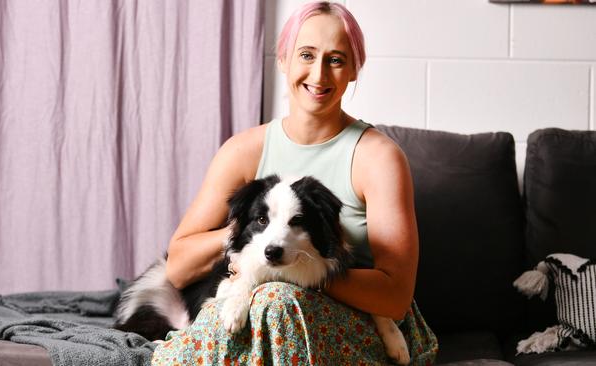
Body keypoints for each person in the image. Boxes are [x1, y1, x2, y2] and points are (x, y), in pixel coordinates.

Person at [152, 2, 438, 364]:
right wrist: (253, 240)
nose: (318, 74)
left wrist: (300, 271)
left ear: (353, 70)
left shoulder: (379, 158)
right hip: (252, 309)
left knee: (276, 301)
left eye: (335, 59)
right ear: (283, 59)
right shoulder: (243, 151)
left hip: (360, 322)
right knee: (253, 304)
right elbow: (178, 268)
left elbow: (396, 296)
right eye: (306, 55)